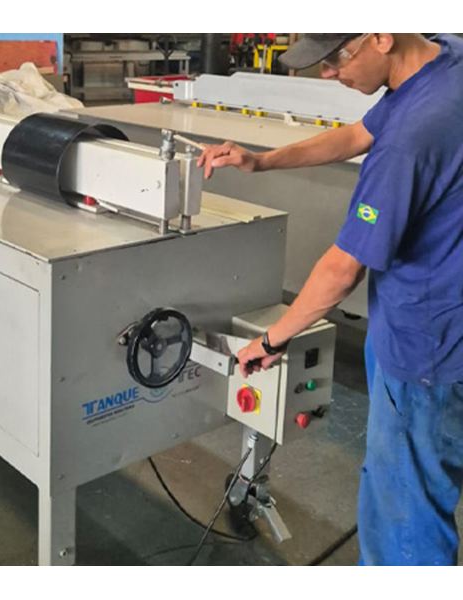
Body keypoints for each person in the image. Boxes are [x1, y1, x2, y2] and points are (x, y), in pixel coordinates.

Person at [197, 33, 463, 565]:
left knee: (404, 510)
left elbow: (343, 269)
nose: (327, 75)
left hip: (424, 345)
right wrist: (261, 162)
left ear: (381, 37)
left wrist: (271, 340)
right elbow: (358, 134)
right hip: (448, 316)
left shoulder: (409, 140)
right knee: (426, 477)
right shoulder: (446, 58)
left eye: (335, 59)